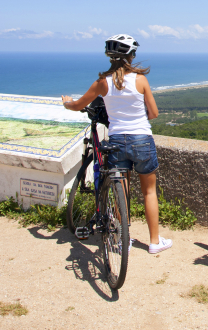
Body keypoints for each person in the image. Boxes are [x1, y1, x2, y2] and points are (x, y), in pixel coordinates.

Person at [61, 34, 172, 255]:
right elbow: (154, 113)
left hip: (117, 141)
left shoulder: (102, 82)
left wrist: (66, 103)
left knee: (122, 192)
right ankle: (154, 242)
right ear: (131, 56)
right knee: (149, 192)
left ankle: (124, 240)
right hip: (141, 139)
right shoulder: (140, 80)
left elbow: (77, 105)